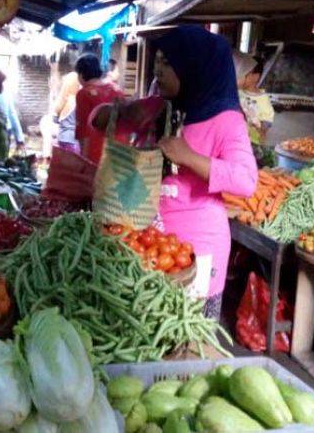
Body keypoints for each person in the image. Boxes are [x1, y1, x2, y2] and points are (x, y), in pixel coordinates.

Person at [94, 26, 258, 319]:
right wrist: (120, 111)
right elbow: (97, 120)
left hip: (199, 248)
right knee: (151, 333)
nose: (158, 71)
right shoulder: (162, 108)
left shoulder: (227, 120)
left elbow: (246, 181)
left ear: (193, 67)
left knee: (191, 339)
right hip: (151, 243)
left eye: (168, 63)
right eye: (157, 61)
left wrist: (189, 157)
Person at [74, 53, 125, 164]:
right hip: (119, 154)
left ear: (81, 75)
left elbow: (84, 132)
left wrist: (84, 162)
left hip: (96, 154)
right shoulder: (118, 91)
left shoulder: (84, 94)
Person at [233, 51, 275, 146]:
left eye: (244, 73)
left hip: (253, 142)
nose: (240, 75)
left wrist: (259, 127)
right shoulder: (237, 91)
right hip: (236, 138)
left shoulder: (263, 99)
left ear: (255, 77)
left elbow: (267, 122)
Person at [51, 72, 81, 153]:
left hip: (61, 139)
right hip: (73, 140)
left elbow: (55, 120)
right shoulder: (78, 101)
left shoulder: (62, 101)